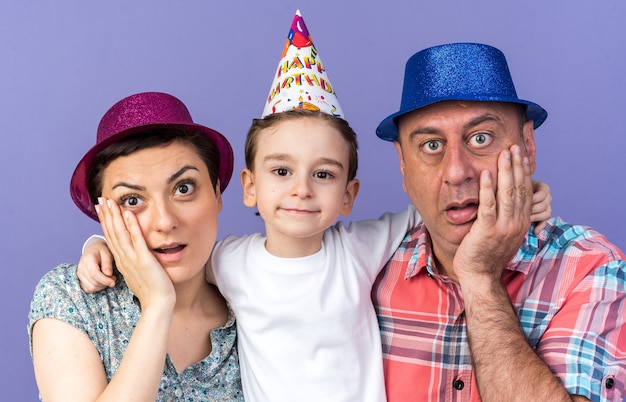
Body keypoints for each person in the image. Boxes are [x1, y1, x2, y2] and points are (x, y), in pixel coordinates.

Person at [76, 14, 553, 402]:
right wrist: (102, 245)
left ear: (349, 194)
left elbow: (436, 203)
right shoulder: (229, 261)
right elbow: (169, 253)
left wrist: (519, 194)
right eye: (281, 172)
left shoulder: (361, 250)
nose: (302, 190)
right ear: (248, 187)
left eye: (323, 174)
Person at [371, 42, 626, 402]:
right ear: (402, 164)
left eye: (481, 138)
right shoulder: (367, 270)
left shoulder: (593, 269)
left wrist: (479, 278)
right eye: (431, 146)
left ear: (527, 145)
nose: (457, 172)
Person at [28, 92, 243, 401]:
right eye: (132, 200)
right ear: (104, 215)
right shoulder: (70, 300)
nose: (165, 221)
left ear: (217, 193)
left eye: (184, 188)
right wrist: (157, 305)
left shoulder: (253, 299)